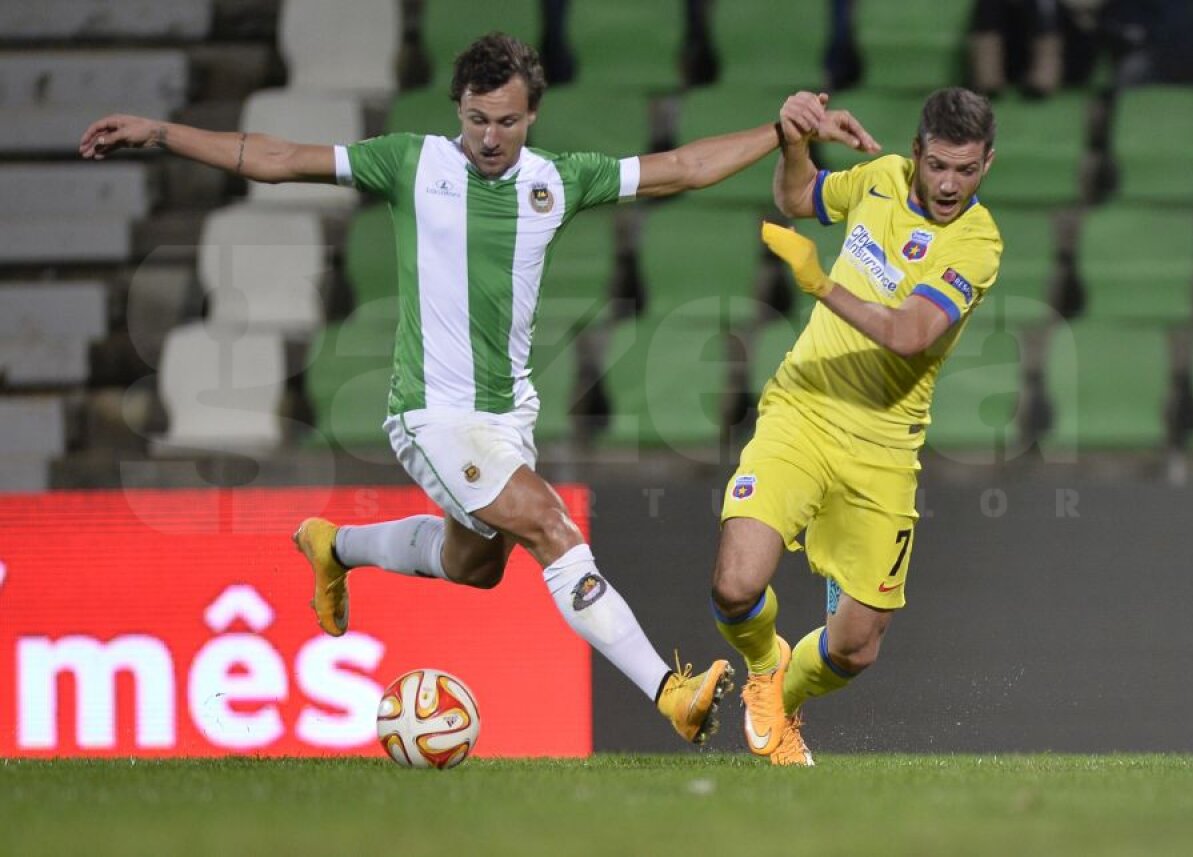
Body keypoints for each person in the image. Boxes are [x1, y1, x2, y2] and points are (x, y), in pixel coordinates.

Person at [79, 32, 878, 747]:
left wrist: (783, 132)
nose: (488, 138)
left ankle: (336, 544)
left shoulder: (557, 181)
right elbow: (280, 158)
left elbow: (683, 167)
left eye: (505, 121)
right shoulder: (410, 162)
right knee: (549, 524)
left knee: (476, 564)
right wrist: (160, 132)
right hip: (430, 411)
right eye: (475, 119)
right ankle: (669, 693)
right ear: (455, 109)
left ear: (533, 117)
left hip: (506, 415)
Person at [711, 87, 1002, 765]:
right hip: (803, 407)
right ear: (916, 153)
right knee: (734, 583)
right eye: (938, 166)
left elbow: (910, 334)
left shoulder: (978, 244)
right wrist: (794, 138)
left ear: (987, 163)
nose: (950, 183)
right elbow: (795, 197)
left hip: (884, 447)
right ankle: (764, 671)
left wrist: (820, 284)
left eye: (967, 169)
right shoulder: (877, 179)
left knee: (855, 646)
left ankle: (784, 699)